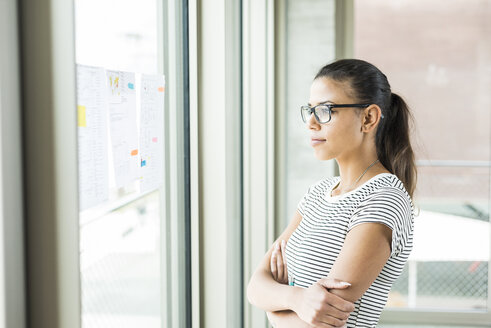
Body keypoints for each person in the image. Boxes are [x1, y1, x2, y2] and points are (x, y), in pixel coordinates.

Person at [247, 58, 417, 327]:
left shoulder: (383, 198)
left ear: (369, 117)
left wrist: (274, 309)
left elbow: (322, 324)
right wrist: (297, 299)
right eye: (310, 110)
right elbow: (255, 286)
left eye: (326, 110)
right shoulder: (317, 194)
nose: (311, 123)